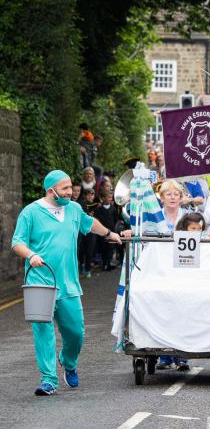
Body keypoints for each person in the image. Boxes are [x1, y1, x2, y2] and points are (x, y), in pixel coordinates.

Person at [11, 170, 122, 397]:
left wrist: (110, 233)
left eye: (71, 187)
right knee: (43, 331)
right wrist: (31, 255)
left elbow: (90, 224)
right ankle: (48, 380)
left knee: (76, 333)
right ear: (50, 190)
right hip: (39, 281)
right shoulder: (31, 212)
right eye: (64, 189)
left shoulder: (73, 209)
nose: (70, 192)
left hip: (69, 283)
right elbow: (17, 242)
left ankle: (68, 362)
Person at [157, 212, 206, 372]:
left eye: (199, 229)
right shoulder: (175, 240)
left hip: (195, 284)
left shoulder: (206, 242)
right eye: (193, 228)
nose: (196, 232)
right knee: (168, 314)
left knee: (186, 319)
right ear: (185, 228)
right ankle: (164, 357)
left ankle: (182, 358)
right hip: (176, 282)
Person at [94, 191, 119, 271]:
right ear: (103, 198)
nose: (110, 199)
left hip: (111, 231)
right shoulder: (99, 209)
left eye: (111, 197)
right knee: (103, 248)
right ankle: (104, 263)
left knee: (110, 248)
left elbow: (115, 219)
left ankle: (108, 263)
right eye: (108, 197)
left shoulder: (113, 209)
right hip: (102, 233)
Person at [78, 189, 99, 278]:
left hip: (92, 231)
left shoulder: (97, 206)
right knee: (81, 250)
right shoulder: (81, 204)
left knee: (90, 251)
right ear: (85, 195)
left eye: (92, 194)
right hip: (82, 231)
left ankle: (87, 269)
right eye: (88, 194)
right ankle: (82, 265)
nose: (90, 196)